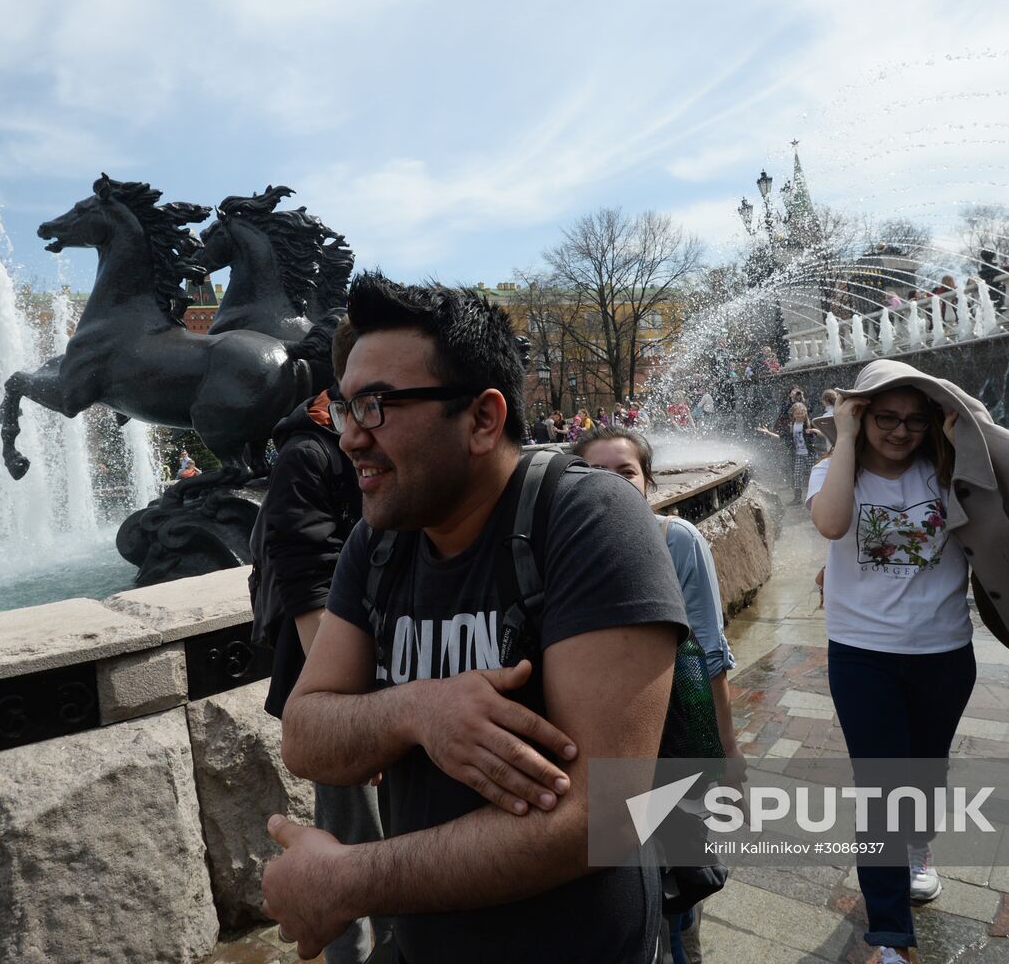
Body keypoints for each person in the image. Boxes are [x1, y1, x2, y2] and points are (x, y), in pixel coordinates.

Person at [265, 274, 688, 963]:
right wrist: (416, 711)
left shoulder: (589, 518)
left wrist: (349, 878)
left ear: (483, 419)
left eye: (375, 406)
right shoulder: (379, 539)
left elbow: (603, 813)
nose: (349, 438)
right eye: (345, 408)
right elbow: (305, 734)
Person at [806, 359, 1009, 963]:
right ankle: (890, 937)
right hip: (862, 656)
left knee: (927, 769)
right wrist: (842, 436)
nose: (899, 431)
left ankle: (918, 847)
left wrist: (956, 422)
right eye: (884, 417)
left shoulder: (949, 476)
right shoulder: (833, 472)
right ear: (861, 417)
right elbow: (833, 523)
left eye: (915, 420)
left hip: (943, 652)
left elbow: (1008, 457)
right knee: (882, 788)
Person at [572, 425, 746, 964]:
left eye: (625, 472)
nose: (612, 485)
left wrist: (727, 750)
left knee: (677, 890)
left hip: (672, 742)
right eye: (594, 474)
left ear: (646, 482)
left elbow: (708, 657)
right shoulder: (560, 549)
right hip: (594, 752)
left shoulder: (676, 541)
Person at [248, 318, 383, 964]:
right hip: (337, 694)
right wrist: (355, 713)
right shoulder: (308, 454)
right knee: (351, 852)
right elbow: (308, 588)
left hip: (393, 689)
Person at [787, 402, 813, 503]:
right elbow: (784, 438)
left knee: (812, 475)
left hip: (809, 454)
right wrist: (768, 433)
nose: (800, 415)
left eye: (802, 413)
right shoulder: (792, 425)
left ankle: (814, 497)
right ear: (793, 414)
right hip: (798, 454)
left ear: (805, 413)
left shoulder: (808, 424)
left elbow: (818, 434)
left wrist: (813, 431)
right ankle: (798, 498)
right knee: (797, 475)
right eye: (797, 413)